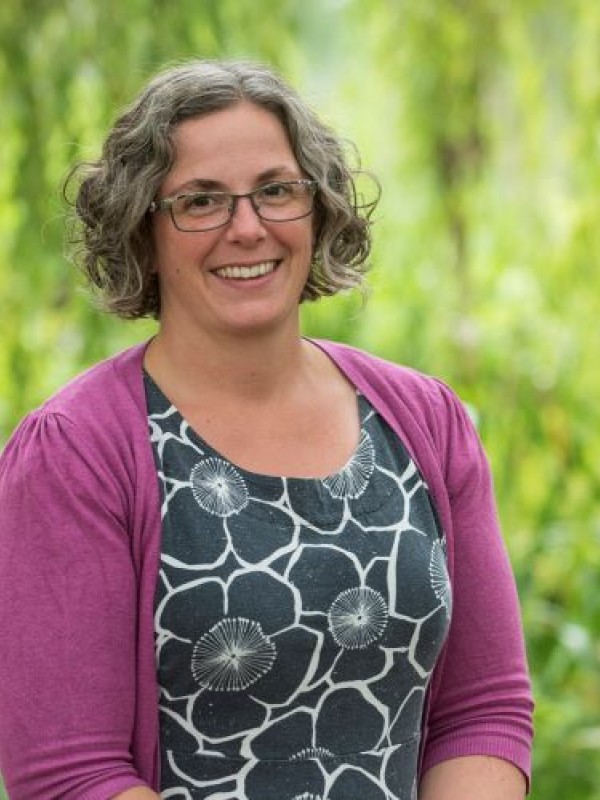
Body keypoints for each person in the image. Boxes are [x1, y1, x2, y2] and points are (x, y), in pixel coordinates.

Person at [0, 60, 533, 800]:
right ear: (142, 230)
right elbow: (71, 775)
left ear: (319, 209)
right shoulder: (76, 454)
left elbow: (482, 710)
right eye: (200, 201)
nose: (247, 228)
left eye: (277, 190)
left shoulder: (425, 421)